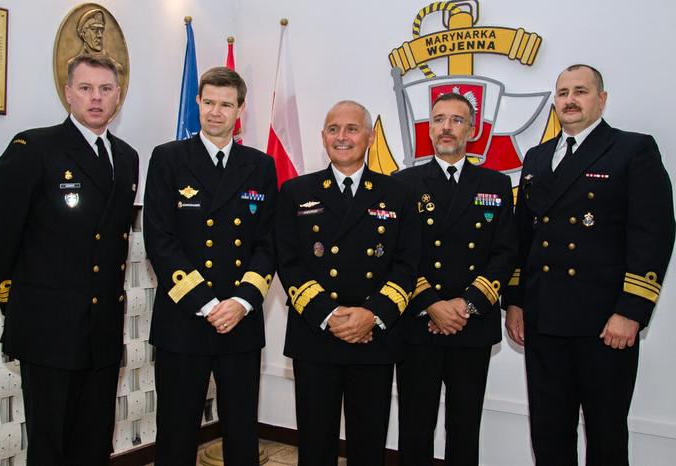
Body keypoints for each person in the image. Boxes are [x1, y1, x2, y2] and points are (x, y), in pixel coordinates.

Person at [504, 64, 675, 466]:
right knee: (548, 431)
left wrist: (631, 311)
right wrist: (515, 301)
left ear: (602, 99)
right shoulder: (538, 157)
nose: (570, 100)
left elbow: (653, 233)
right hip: (544, 319)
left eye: (580, 91)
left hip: (604, 323)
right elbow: (523, 237)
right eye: (563, 93)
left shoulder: (632, 149)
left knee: (605, 433)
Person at [0, 54, 139, 466]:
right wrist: (15, 300)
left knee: (94, 443)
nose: (96, 98)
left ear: (118, 95)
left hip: (102, 328)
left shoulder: (126, 157)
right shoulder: (35, 148)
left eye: (105, 89)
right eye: (85, 88)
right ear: (68, 93)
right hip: (49, 328)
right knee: (50, 448)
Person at [144, 66, 277, 466]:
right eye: (209, 103)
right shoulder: (168, 158)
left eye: (226, 104)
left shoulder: (260, 165)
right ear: (197, 104)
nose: (216, 112)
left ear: (241, 110)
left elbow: (268, 243)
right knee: (176, 432)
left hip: (240, 319)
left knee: (241, 432)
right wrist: (206, 303)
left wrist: (241, 301)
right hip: (184, 318)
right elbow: (160, 240)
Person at [276, 100, 420, 466]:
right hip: (316, 335)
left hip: (373, 337)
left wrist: (371, 315)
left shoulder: (398, 193)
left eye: (352, 129)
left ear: (369, 137)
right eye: (333, 129)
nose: (342, 137)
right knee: (315, 445)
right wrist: (331, 315)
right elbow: (288, 262)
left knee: (368, 446)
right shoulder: (296, 191)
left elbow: (407, 264)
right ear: (323, 137)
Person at [394, 93, 516, 466]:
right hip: (418, 324)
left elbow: (505, 252)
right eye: (439, 119)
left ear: (473, 130)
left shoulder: (495, 184)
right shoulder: (403, 183)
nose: (446, 127)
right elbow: (399, 254)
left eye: (457, 120)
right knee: (415, 425)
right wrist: (431, 304)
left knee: (465, 425)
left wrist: (466, 305)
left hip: (471, 324)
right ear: (429, 128)